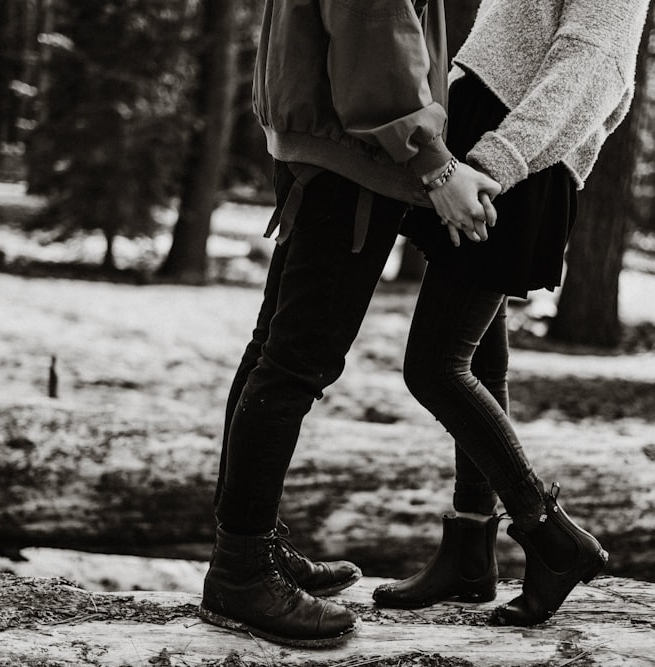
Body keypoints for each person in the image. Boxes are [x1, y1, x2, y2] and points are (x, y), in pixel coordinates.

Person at [200, 0, 501, 649]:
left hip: (325, 141)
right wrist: (434, 162)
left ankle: (250, 546)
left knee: (272, 353)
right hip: (353, 154)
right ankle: (240, 569)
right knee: (294, 365)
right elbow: (376, 30)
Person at [372, 0, 651, 626]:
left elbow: (592, 67)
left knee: (436, 367)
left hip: (513, 160)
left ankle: (552, 536)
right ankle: (470, 550)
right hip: (488, 145)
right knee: (479, 360)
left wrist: (497, 160)